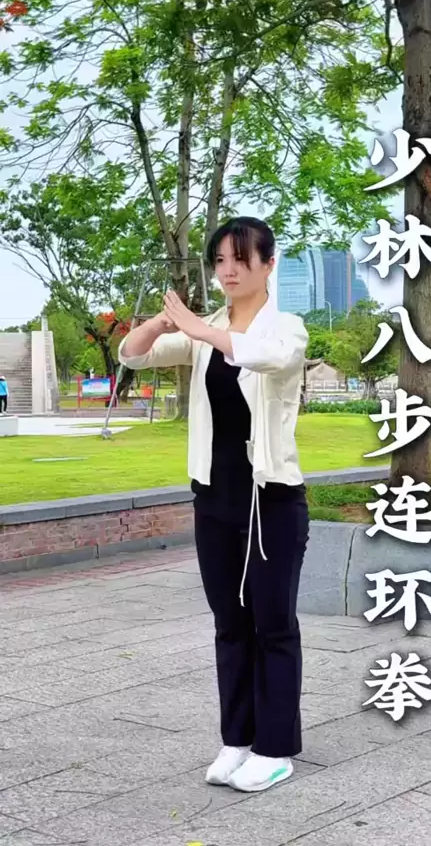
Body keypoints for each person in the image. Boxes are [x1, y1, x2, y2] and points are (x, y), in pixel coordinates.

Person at [118, 217, 310, 794]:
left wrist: (199, 328)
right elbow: (132, 355)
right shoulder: (208, 331)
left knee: (273, 623)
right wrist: (161, 322)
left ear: (268, 265)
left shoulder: (287, 329)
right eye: (220, 260)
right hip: (215, 497)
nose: (227, 271)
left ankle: (275, 749)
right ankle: (238, 740)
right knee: (230, 622)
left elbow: (264, 358)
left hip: (271, 499)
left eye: (240, 259)